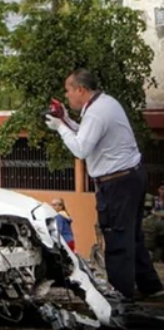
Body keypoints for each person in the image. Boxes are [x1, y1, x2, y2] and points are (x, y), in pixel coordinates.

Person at [44, 69, 163, 300]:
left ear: (81, 90)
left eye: (68, 90)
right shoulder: (103, 105)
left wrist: (60, 128)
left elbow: (81, 148)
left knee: (118, 238)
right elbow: (87, 135)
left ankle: (120, 296)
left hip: (118, 183)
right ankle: (151, 286)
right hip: (131, 177)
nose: (67, 95)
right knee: (132, 235)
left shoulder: (97, 113)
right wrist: (66, 119)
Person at [142, 182, 164, 262]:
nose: (163, 191)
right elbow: (149, 211)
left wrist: (157, 214)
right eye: (162, 189)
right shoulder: (153, 199)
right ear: (158, 190)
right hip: (152, 225)